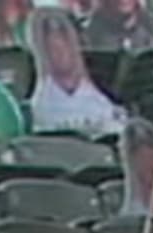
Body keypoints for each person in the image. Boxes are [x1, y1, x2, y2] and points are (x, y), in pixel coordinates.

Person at [26, 4, 125, 135]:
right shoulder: (38, 108)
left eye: (65, 41)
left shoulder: (103, 97)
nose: (61, 52)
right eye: (53, 49)